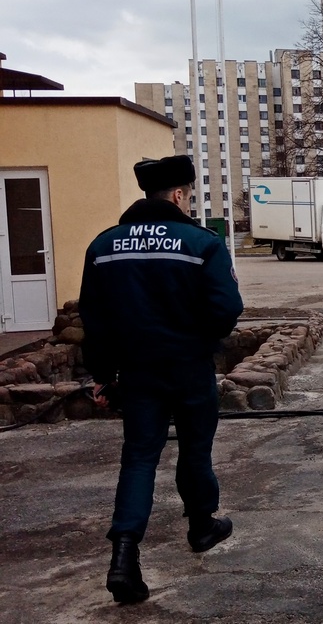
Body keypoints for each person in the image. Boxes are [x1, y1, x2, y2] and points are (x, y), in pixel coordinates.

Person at [79, 155, 243, 604]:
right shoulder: (201, 243)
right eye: (188, 195)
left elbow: (94, 319)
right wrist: (200, 339)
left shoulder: (103, 246)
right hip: (188, 367)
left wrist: (102, 375)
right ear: (177, 194)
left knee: (138, 459)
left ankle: (125, 558)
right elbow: (227, 307)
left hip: (136, 372)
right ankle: (201, 527)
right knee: (194, 450)